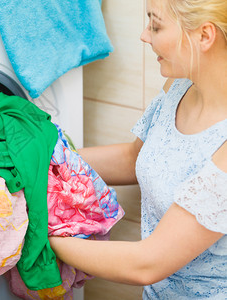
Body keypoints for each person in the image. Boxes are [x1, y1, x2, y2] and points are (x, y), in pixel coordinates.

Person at [48, 0, 227, 298]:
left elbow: (147, 264)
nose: (145, 35)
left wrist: (42, 235)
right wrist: (48, 161)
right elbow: (135, 158)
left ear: (204, 36)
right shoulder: (180, 85)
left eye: (155, 25)